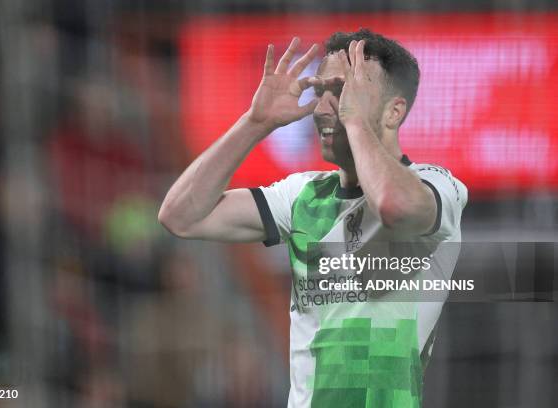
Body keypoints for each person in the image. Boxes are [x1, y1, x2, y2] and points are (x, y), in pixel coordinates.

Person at [159, 28, 467, 408]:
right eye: (321, 92)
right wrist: (255, 123)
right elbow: (180, 216)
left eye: (342, 93)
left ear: (394, 111)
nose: (321, 109)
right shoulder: (302, 194)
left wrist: (352, 121)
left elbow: (392, 206)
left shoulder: (438, 187)